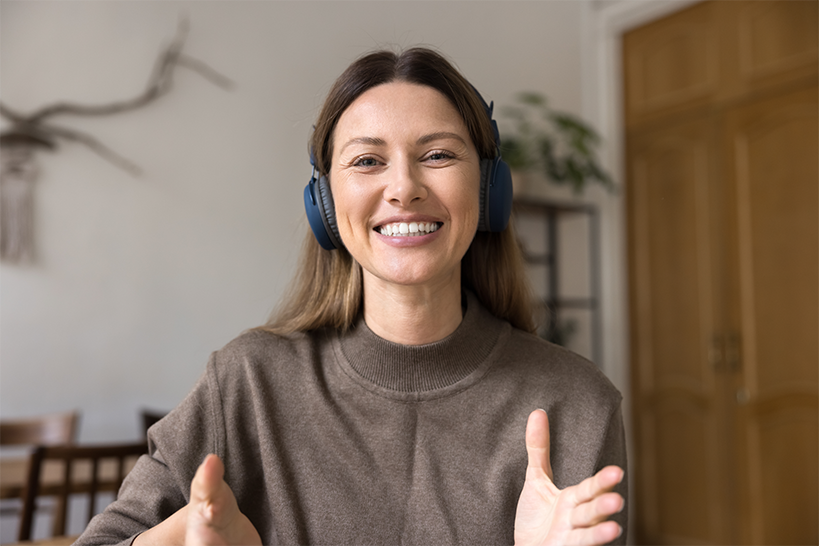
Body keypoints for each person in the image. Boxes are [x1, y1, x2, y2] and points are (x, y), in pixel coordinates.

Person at [74, 46, 627, 546]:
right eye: (367, 161)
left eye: (437, 155)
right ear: (325, 202)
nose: (404, 187)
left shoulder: (577, 402)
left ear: (488, 191)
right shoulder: (245, 383)